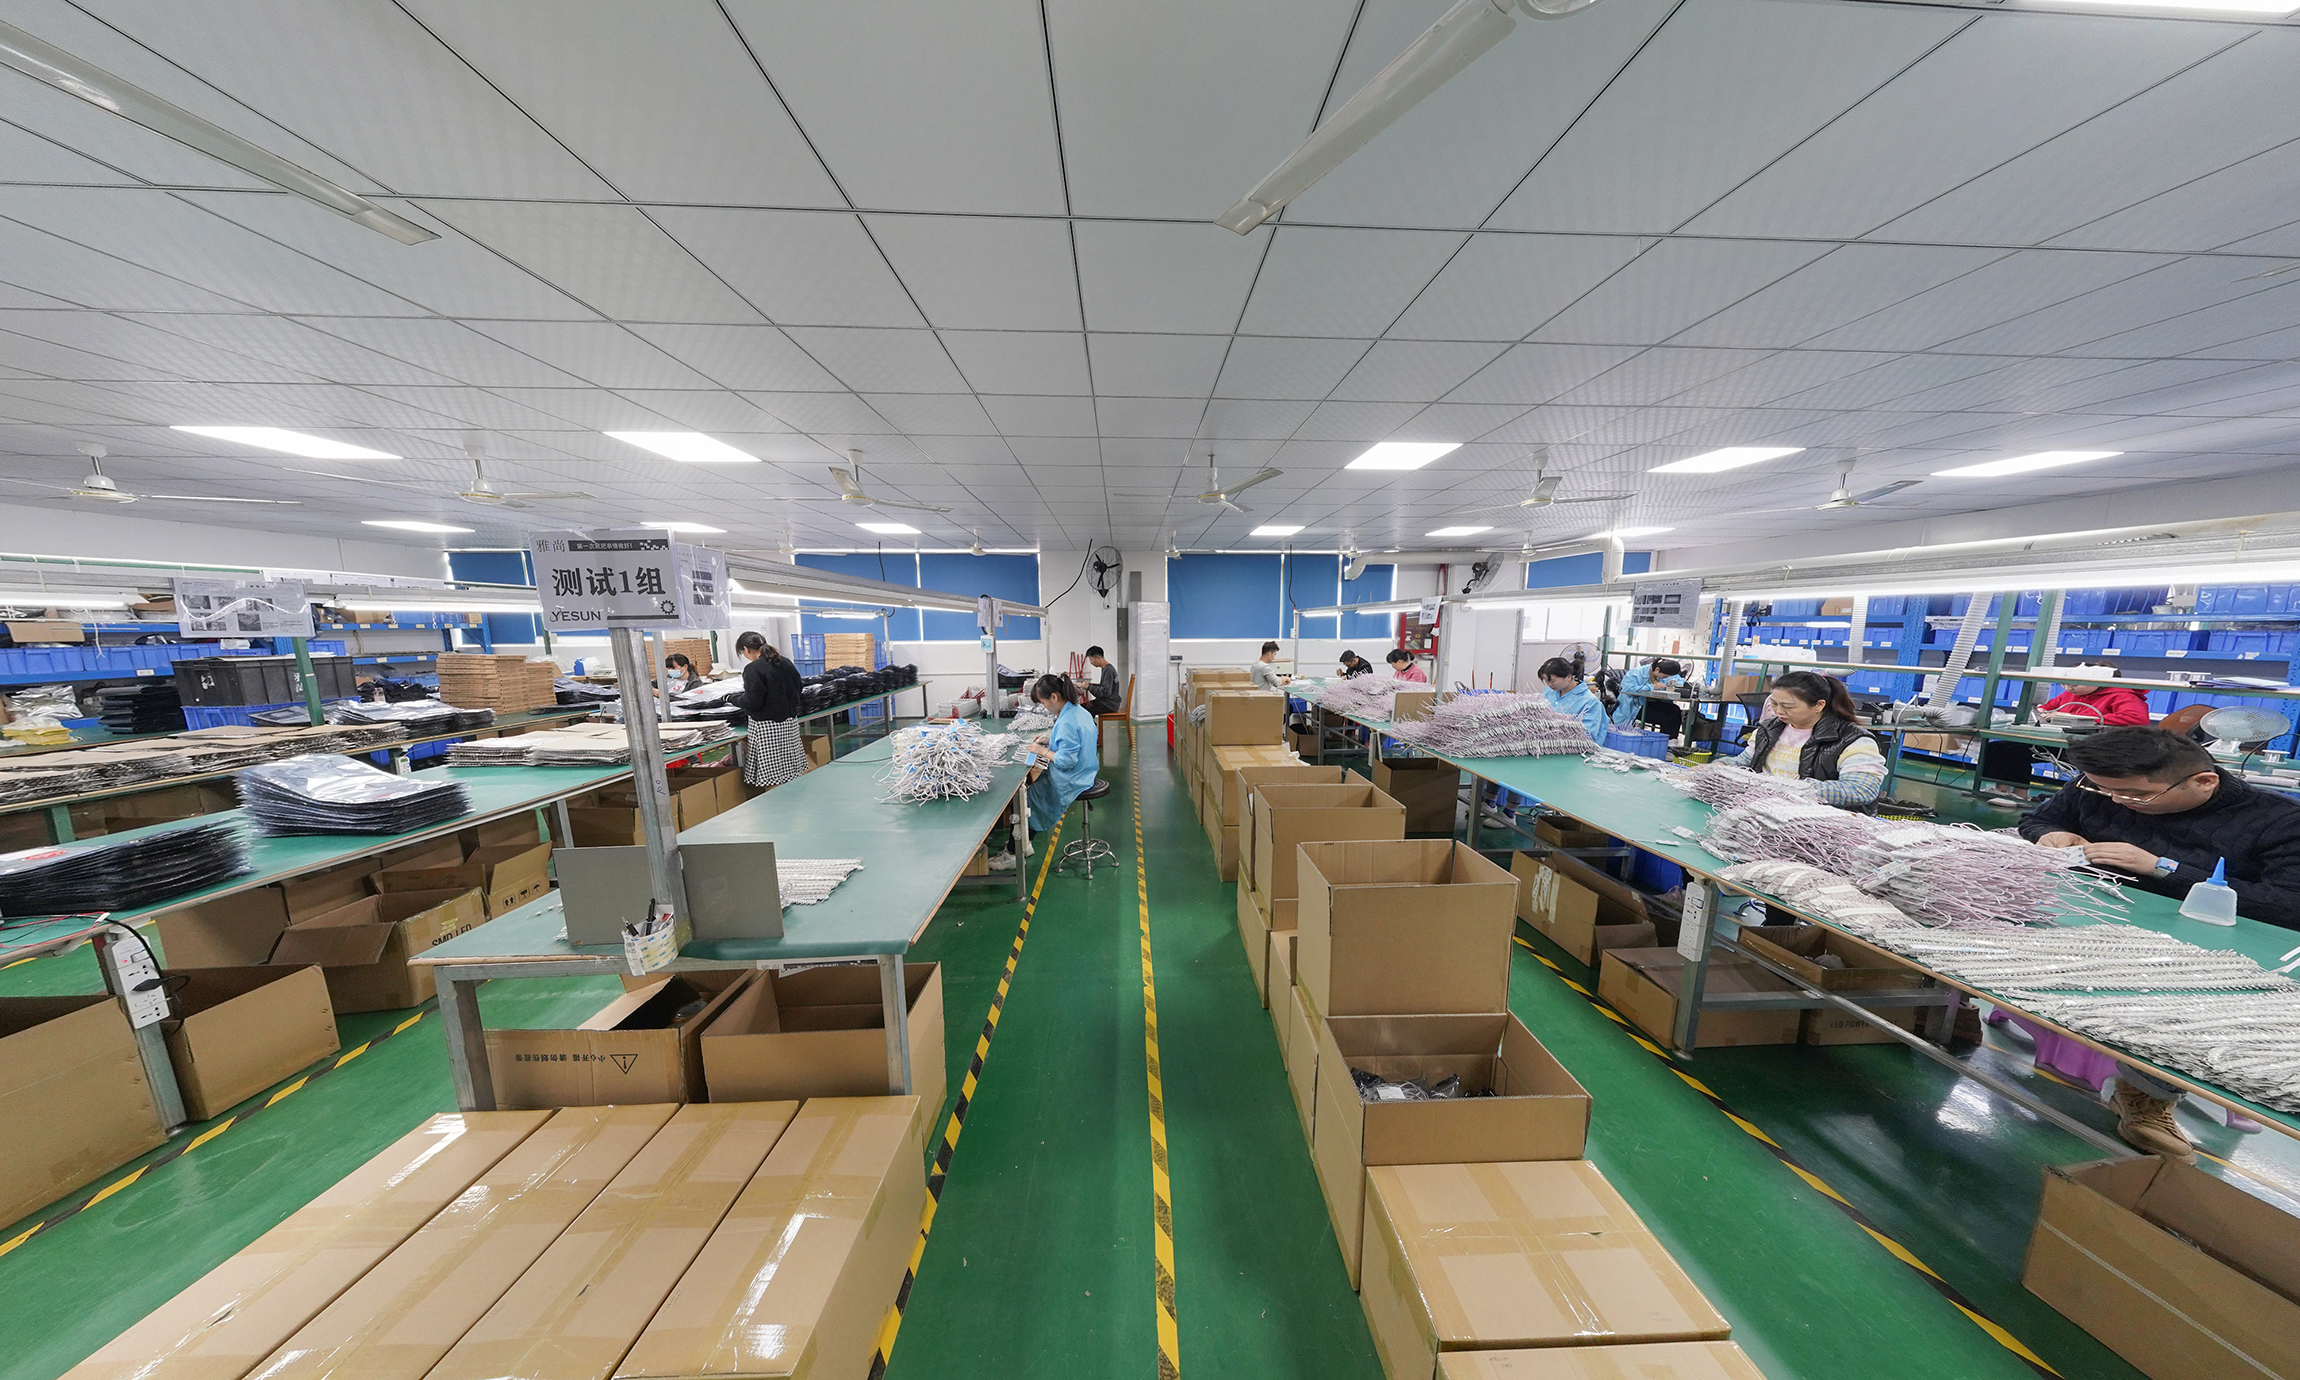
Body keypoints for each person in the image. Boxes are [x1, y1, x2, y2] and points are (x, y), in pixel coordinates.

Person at [2017, 726, 2300, 1157]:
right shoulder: (2101, 787)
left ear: (2203, 781)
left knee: (2187, 1001)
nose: (2116, 801)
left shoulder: (2278, 820)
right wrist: (2048, 834)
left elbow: (2288, 905)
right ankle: (1945, 1010)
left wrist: (2165, 868)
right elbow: (2038, 818)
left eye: (2137, 795)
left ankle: (2146, 1094)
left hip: (2202, 946)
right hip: (2087, 912)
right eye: (2103, 789)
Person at [989, 674, 1100, 873]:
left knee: (1027, 801)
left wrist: (1042, 751)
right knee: (1031, 794)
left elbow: (1066, 760)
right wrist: (1050, 740)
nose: (1044, 707)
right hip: (1086, 770)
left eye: (1043, 703)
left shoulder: (1068, 721)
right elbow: (1075, 741)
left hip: (1073, 778)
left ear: (1054, 697)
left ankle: (1013, 854)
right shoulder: (1077, 711)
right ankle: (1024, 844)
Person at [1728, 671, 1887, 809]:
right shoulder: (1768, 729)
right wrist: (1721, 766)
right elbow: (1745, 761)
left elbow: (1861, 789)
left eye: (1788, 706)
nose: (1778, 711)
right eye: (1774, 704)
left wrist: (1790, 788)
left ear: (1819, 705)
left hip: (1818, 820)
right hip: (1765, 809)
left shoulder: (1853, 740)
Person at [734, 631, 807, 790]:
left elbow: (752, 702)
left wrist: (732, 699)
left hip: (766, 729)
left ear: (746, 649)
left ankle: (776, 804)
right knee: (790, 770)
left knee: (772, 776)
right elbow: (799, 688)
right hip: (790, 724)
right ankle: (793, 800)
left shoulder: (753, 669)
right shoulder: (786, 662)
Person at [1536, 656, 1610, 742]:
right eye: (1546, 680)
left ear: (1568, 677)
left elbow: (1587, 736)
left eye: (1552, 681)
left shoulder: (1590, 702)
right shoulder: (1548, 691)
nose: (1549, 684)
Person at [1612, 657, 1687, 735]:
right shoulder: (1635, 673)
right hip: (1635, 706)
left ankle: (1671, 739)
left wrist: (1675, 684)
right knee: (1667, 717)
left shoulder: (1664, 671)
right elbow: (1627, 689)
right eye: (1664, 676)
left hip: (1652, 702)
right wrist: (1652, 687)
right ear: (1657, 669)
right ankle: (1665, 738)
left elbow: (1678, 679)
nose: (1666, 678)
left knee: (1675, 711)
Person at [2038, 677, 2150, 726]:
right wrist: (2041, 711)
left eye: (2074, 684)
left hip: (2101, 743)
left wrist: (2074, 717)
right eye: (2063, 684)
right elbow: (2049, 707)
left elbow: (2137, 719)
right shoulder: (2072, 693)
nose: (2068, 688)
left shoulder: (2123, 696)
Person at [1081, 645, 1121, 714]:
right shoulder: (1107, 668)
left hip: (1109, 704)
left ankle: (1090, 721)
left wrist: (1089, 687)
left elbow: (1104, 692)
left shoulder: (1108, 670)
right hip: (1108, 702)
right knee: (1084, 706)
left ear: (1098, 658)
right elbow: (1104, 687)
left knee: (1083, 709)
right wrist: (1091, 685)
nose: (1091, 663)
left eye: (1091, 660)